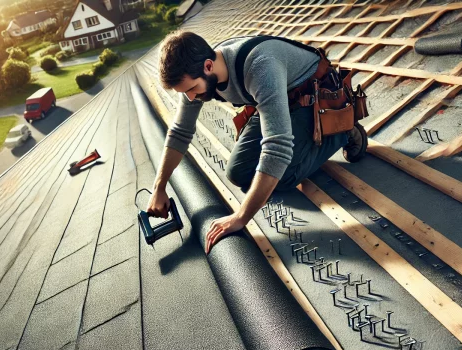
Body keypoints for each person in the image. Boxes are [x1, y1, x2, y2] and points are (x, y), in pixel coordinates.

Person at [146, 31, 366, 253]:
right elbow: (180, 131)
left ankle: (344, 131)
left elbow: (277, 149)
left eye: (192, 89)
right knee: (238, 173)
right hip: (276, 101)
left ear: (208, 66)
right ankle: (319, 136)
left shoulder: (260, 67)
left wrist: (241, 217)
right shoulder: (197, 73)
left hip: (312, 96)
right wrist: (159, 187)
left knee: (283, 176)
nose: (190, 98)